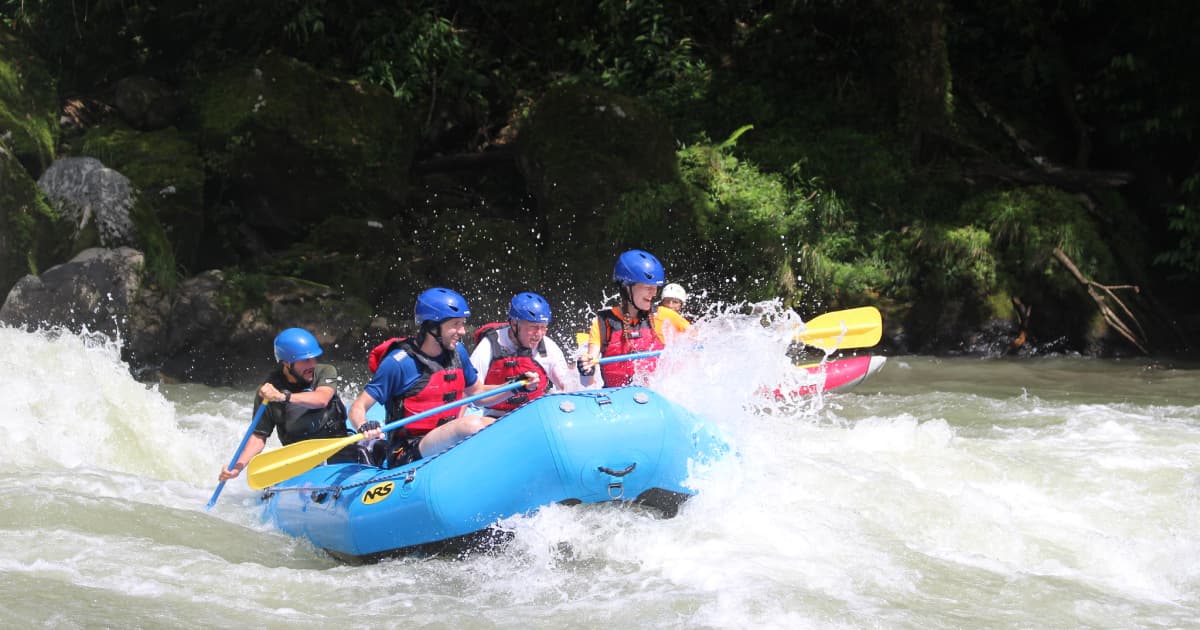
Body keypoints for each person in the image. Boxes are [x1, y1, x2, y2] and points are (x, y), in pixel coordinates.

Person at [349, 287, 540, 466]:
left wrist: (516, 385)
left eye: (463, 324)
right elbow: (358, 406)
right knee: (471, 425)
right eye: (456, 324)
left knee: (500, 424)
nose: (463, 331)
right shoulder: (399, 363)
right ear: (432, 326)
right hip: (408, 448)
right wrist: (364, 425)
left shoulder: (458, 353)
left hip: (445, 441)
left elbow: (479, 393)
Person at [217, 328, 355, 482]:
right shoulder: (268, 391)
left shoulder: (325, 371)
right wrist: (237, 467)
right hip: (301, 458)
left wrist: (283, 397)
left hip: (336, 445)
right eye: (305, 360)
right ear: (286, 363)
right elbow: (258, 436)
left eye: (313, 358)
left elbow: (321, 399)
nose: (312, 364)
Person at [581, 249, 690, 388]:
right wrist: (585, 369)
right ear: (627, 287)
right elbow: (586, 383)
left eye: (655, 287)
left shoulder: (664, 316)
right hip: (616, 400)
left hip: (655, 398)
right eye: (648, 287)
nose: (654, 293)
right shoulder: (603, 323)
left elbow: (701, 340)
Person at [469, 291, 581, 417]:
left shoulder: (548, 346)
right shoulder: (489, 346)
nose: (539, 334)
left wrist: (584, 374)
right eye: (533, 327)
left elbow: (567, 387)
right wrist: (513, 387)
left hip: (535, 415)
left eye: (543, 327)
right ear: (514, 324)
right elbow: (473, 396)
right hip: (495, 418)